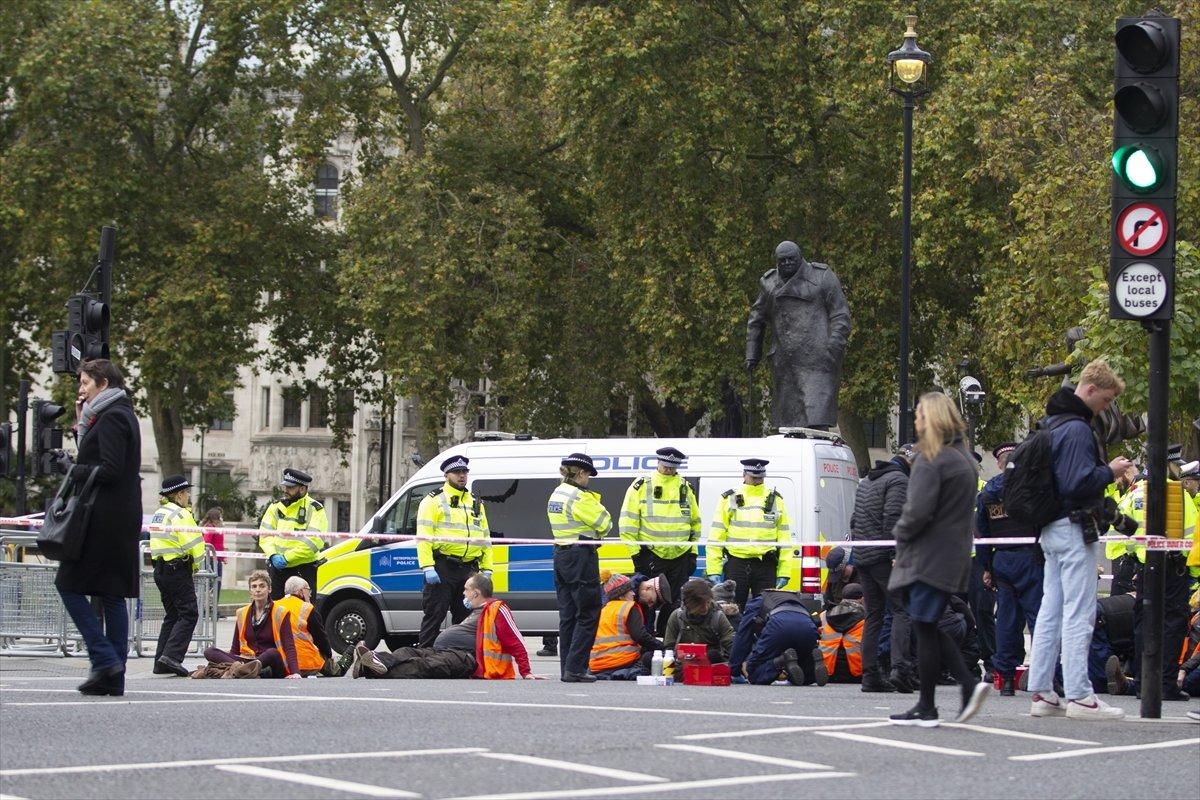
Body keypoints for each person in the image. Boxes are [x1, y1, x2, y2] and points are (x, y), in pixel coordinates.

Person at [1026, 360, 1133, 721]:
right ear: (1089, 390)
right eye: (1104, 401)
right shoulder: (1076, 430)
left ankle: (1042, 692)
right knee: (1079, 613)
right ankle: (1080, 696)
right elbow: (1077, 483)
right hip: (1074, 528)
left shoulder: (1051, 424)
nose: (1105, 409)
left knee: (1050, 611)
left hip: (1050, 528)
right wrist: (1110, 471)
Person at [887, 392, 990, 728]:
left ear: (929, 418)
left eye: (918, 415)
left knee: (925, 624)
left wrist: (898, 532)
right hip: (954, 554)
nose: (915, 420)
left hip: (927, 555)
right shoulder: (963, 459)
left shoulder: (931, 458)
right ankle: (934, 701)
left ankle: (951, 692)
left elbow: (917, 512)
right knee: (927, 624)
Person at [54, 359, 142, 697]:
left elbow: (108, 469)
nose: (80, 388)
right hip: (119, 515)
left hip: (105, 517)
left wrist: (71, 469)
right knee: (111, 593)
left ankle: (104, 657)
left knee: (68, 583)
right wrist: (81, 427)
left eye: (85, 382)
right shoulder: (117, 413)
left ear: (102, 382)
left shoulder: (113, 416)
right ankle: (112, 676)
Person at [351, 573, 542, 680]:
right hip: (447, 649)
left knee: (425, 666)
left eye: (466, 589)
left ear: (476, 593)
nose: (463, 593)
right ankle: (373, 660)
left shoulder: (497, 609)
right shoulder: (477, 610)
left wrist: (526, 672)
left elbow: (515, 640)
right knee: (410, 651)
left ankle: (370, 668)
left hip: (466, 658)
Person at [745, 239, 851, 429]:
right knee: (788, 426)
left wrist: (833, 349)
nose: (786, 263)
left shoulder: (822, 277)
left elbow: (841, 316)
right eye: (782, 260)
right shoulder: (769, 284)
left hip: (818, 362)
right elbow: (756, 319)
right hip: (785, 365)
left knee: (815, 421)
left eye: (791, 259)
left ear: (800, 257)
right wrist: (752, 354)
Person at [1118, 469, 1197, 701]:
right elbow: (1192, 534)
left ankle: (1143, 682)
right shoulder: (1179, 494)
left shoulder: (1134, 493)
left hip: (1145, 568)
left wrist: (1136, 559)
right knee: (1172, 625)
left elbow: (1121, 531)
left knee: (1144, 622)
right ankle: (1165, 684)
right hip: (1173, 568)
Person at [976, 442, 1044, 696]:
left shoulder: (988, 493)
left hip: (1002, 560)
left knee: (1006, 620)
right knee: (1039, 617)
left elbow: (981, 534)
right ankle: (1044, 675)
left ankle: (1004, 677)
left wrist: (987, 567)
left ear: (999, 463)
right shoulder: (1030, 487)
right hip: (1030, 558)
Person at [849, 442, 917, 693]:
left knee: (874, 614)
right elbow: (893, 518)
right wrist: (895, 552)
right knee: (901, 610)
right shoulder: (899, 481)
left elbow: (855, 520)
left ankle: (870, 675)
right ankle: (900, 669)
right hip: (884, 557)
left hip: (864, 556)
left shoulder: (867, 481)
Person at [619, 447, 701, 635]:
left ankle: (667, 642)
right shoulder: (641, 486)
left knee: (675, 604)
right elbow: (627, 523)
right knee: (647, 603)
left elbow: (695, 524)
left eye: (672, 468)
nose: (668, 471)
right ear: (658, 463)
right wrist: (636, 554)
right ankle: (645, 642)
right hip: (651, 554)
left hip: (680, 556)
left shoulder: (685, 487)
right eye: (665, 467)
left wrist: (693, 553)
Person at [548, 453, 612, 682]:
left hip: (561, 554)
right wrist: (595, 502)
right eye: (588, 475)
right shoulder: (580, 497)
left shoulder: (557, 493)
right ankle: (576, 669)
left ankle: (568, 667)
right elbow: (605, 522)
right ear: (582, 473)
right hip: (581, 555)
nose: (589, 480)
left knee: (568, 615)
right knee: (588, 612)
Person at [416, 456, 492, 648]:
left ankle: (460, 658)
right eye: (457, 472)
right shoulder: (433, 500)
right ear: (446, 474)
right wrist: (427, 567)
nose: (461, 476)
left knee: (466, 618)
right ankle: (424, 657)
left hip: (469, 570)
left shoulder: (475, 502)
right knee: (435, 614)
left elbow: (485, 538)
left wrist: (486, 569)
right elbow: (424, 536)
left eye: (464, 472)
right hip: (443, 568)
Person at [706, 458, 794, 609]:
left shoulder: (774, 499)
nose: (757, 481)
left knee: (765, 611)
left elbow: (784, 537)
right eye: (753, 477)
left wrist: (784, 571)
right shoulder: (731, 497)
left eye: (760, 478)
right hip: (737, 563)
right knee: (731, 609)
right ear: (744, 475)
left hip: (765, 564)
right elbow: (717, 534)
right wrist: (714, 569)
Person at [148, 475, 206, 677]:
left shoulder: (159, 513)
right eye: (186, 492)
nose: (188, 496)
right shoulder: (180, 514)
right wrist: (196, 564)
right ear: (179, 494)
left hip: (161, 569)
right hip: (177, 569)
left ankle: (161, 661)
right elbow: (195, 543)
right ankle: (172, 657)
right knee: (189, 613)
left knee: (172, 615)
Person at [203, 570, 300, 679]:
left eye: (262, 586)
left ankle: (241, 670)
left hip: (270, 662)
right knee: (209, 651)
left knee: (272, 653)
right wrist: (230, 660)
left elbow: (289, 646)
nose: (257, 590)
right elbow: (235, 649)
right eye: (254, 587)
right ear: (250, 591)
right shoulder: (242, 613)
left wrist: (295, 672)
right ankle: (243, 670)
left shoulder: (281, 612)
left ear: (269, 589)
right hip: (247, 660)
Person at [730, 589, 826, 686]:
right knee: (800, 668)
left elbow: (742, 636)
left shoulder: (760, 600)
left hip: (778, 627)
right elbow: (815, 624)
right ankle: (812, 667)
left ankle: (781, 661)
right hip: (807, 628)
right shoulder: (799, 600)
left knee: (754, 672)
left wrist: (734, 670)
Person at [258, 468, 328, 601]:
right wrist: (273, 555)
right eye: (285, 486)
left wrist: (286, 558)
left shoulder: (315, 509)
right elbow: (265, 535)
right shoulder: (275, 507)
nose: (286, 490)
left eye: (290, 487)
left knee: (303, 612)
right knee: (276, 610)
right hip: (278, 570)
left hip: (303, 569)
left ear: (302, 489)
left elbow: (314, 542)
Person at [589, 573, 663, 679]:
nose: (633, 594)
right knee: (651, 659)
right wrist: (661, 646)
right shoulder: (629, 607)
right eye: (630, 591)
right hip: (623, 661)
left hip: (597, 665)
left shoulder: (604, 609)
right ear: (621, 594)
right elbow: (640, 636)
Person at [665, 578, 735, 668]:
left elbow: (731, 644)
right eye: (701, 605)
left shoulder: (717, 617)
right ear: (689, 604)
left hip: (711, 665)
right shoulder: (677, 617)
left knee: (713, 655)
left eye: (708, 602)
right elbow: (669, 647)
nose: (705, 608)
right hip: (683, 665)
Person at [276, 576, 336, 676]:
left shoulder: (274, 606)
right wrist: (329, 655)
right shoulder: (307, 608)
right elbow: (321, 638)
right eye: (308, 590)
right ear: (301, 591)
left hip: (280, 663)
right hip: (305, 663)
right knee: (335, 670)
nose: (310, 593)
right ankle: (345, 662)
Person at [819, 583, 866, 683]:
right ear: (862, 599)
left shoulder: (823, 616)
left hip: (827, 672)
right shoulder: (868, 619)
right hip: (857, 673)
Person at [200, 506, 226, 587]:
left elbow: (219, 544)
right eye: (220, 516)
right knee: (212, 584)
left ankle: (214, 599)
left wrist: (222, 557)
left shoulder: (216, 528)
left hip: (217, 559)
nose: (222, 518)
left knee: (217, 583)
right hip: (211, 560)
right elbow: (206, 542)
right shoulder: (210, 527)